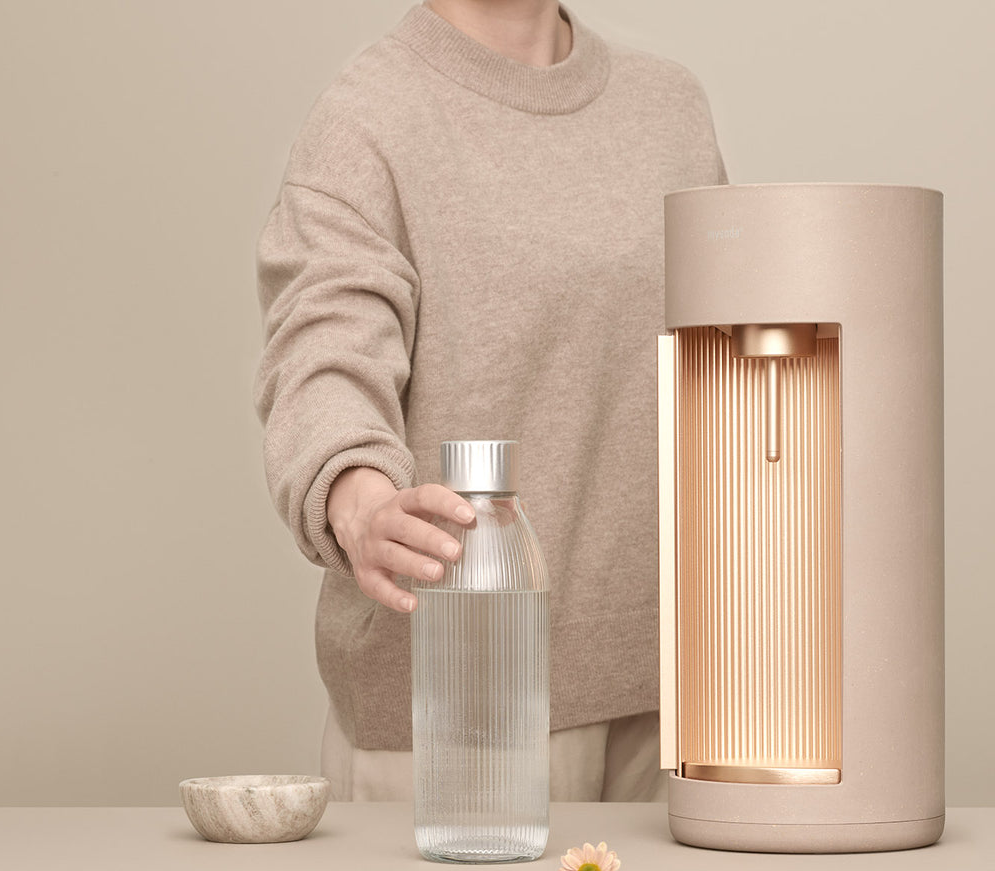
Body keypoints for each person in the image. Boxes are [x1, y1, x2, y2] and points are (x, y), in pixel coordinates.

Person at [253, 1, 726, 800]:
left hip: (679, 702)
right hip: (460, 711)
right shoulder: (367, 117)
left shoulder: (670, 107)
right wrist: (358, 497)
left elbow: (727, 360)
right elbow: (323, 344)